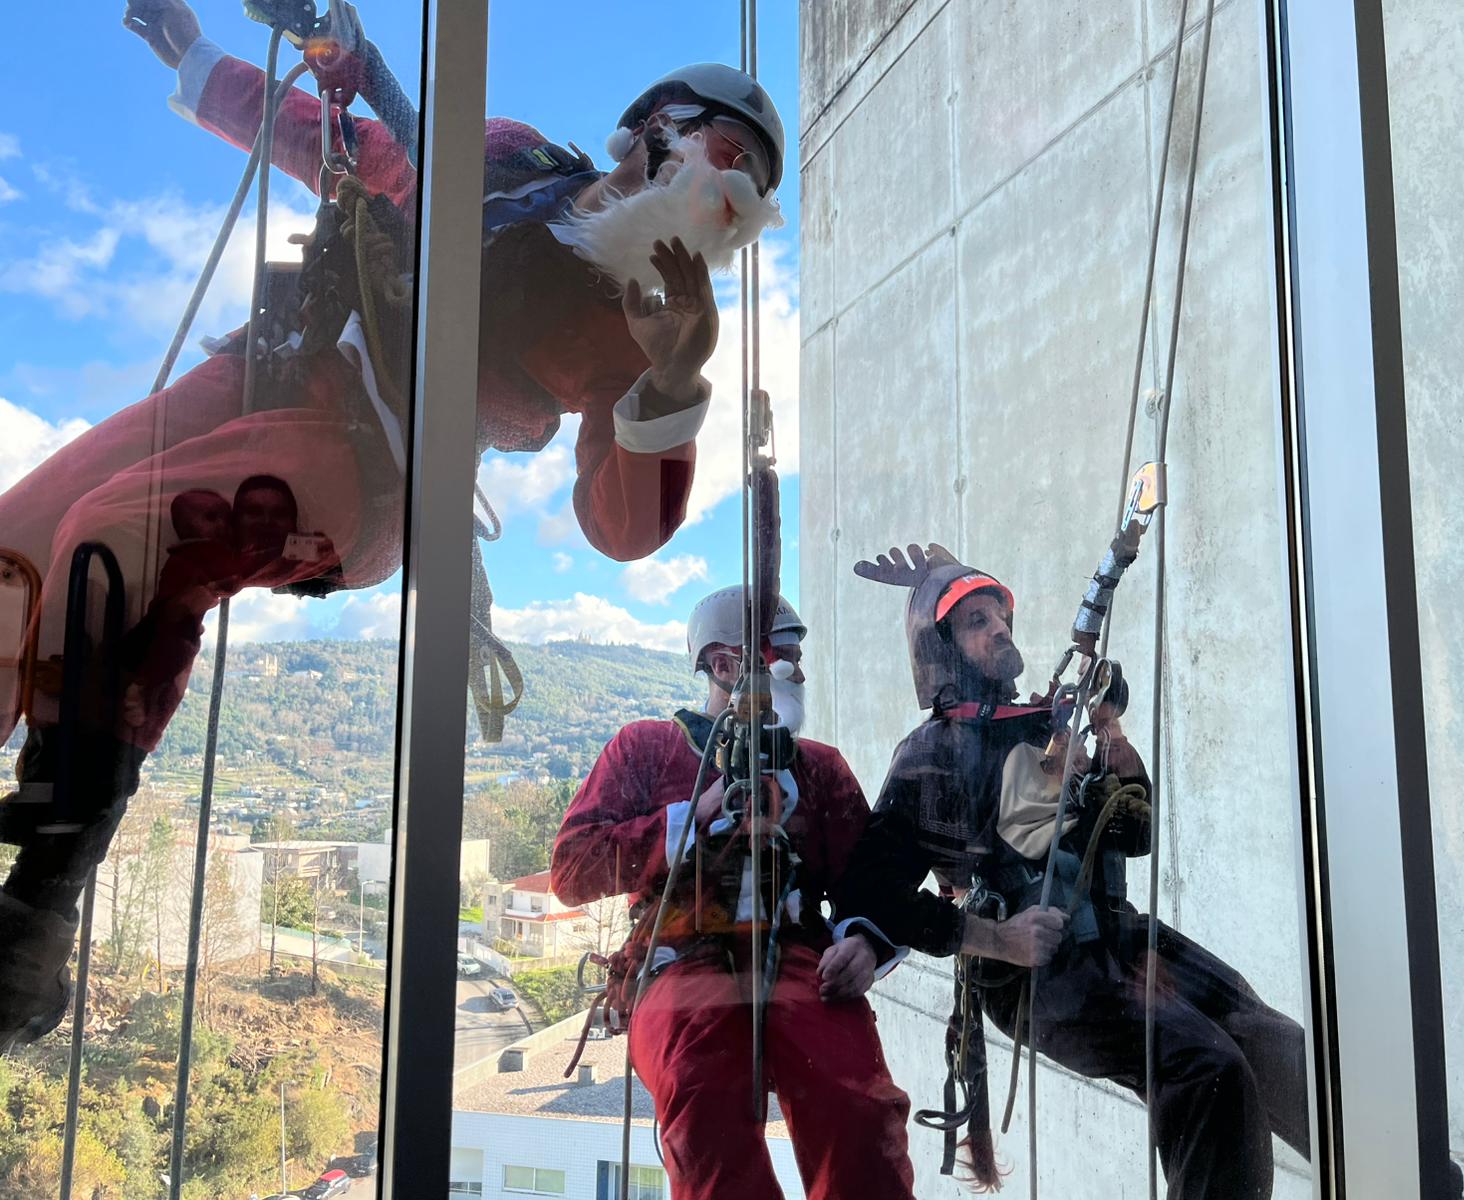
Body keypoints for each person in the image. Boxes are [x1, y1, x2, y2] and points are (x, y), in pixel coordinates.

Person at [0, 0, 786, 1049]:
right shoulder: (510, 162)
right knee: (21, 542)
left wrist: (672, 380)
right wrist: (204, 59)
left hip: (375, 468)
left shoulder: (651, 319)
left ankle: (43, 892)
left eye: (748, 194)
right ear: (651, 130)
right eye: (725, 157)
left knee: (123, 539)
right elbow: (357, 149)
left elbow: (621, 532)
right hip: (275, 368)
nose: (728, 197)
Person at [840, 545, 1312, 1199]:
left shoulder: (1045, 723)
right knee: (1209, 1069)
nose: (1000, 627)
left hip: (1115, 937)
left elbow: (1134, 831)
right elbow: (873, 895)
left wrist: (1108, 729)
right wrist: (993, 939)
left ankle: (1422, 1179)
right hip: (1039, 975)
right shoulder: (929, 756)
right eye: (977, 621)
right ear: (940, 647)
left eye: (1000, 615)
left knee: (1274, 1044)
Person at [548, 586, 917, 1200]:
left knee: (857, 1104)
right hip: (677, 957)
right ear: (723, 665)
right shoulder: (647, 751)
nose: (798, 672)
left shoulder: (818, 769)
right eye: (785, 656)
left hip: (799, 955)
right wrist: (688, 816)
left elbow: (872, 883)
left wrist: (866, 944)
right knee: (702, 1102)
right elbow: (572, 870)